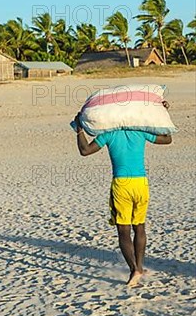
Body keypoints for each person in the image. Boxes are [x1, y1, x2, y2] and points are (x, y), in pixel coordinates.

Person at [73, 101, 172, 287]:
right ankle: (140, 267)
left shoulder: (109, 135)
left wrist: (79, 128)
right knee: (140, 226)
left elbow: (85, 151)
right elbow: (167, 139)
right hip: (141, 184)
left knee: (123, 230)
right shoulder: (140, 132)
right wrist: (162, 114)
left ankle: (134, 269)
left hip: (121, 185)